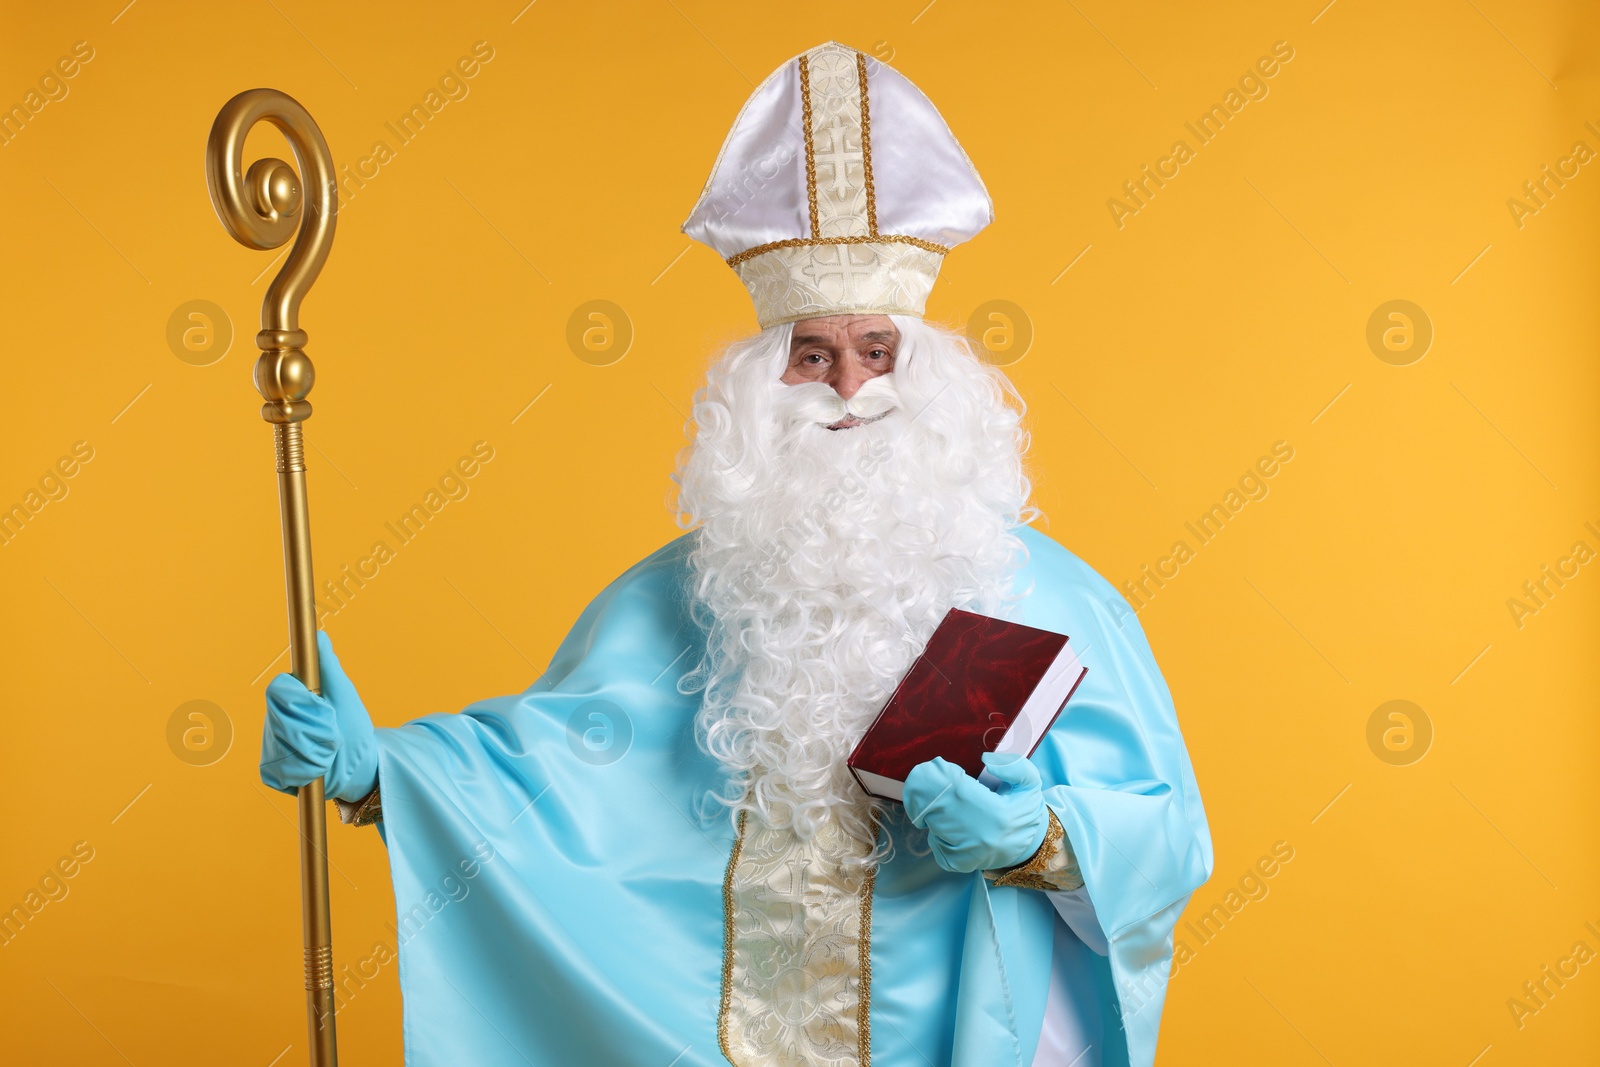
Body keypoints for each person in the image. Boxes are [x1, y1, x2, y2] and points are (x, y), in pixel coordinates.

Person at [261, 40, 1211, 1067]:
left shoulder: (1053, 603)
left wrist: (1042, 841)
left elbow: (1169, 840)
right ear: (762, 384)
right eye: (813, 354)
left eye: (876, 351)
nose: (848, 388)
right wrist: (381, 774)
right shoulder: (675, 602)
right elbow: (546, 786)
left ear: (929, 370)